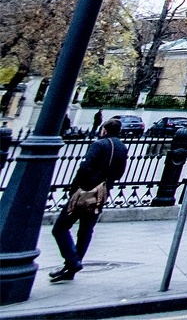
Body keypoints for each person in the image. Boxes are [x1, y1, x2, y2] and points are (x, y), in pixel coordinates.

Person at [50, 117, 128, 282]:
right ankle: (71, 268)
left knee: (60, 228)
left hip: (85, 191)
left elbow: (85, 167)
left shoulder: (99, 144)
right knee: (86, 230)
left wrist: (74, 189)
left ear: (104, 130)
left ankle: (72, 261)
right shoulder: (122, 147)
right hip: (102, 193)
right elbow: (120, 173)